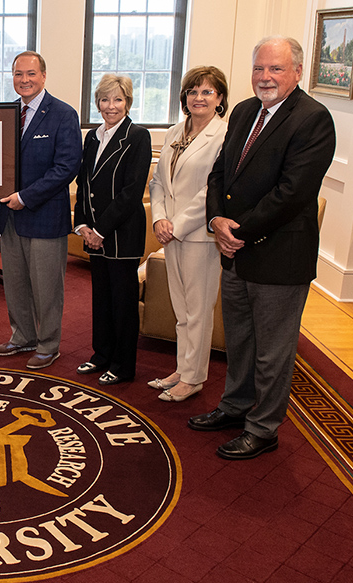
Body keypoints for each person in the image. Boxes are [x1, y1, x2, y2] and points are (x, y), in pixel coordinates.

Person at [190, 36, 335, 459]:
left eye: (275, 69)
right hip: (235, 252)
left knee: (273, 352)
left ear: (297, 72)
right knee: (239, 341)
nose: (265, 77)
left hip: (278, 257)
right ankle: (235, 407)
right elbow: (220, 173)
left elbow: (293, 193)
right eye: (259, 68)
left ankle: (263, 427)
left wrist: (239, 231)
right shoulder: (243, 110)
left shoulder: (313, 119)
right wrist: (216, 220)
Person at [0, 51, 82, 369]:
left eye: (30, 73)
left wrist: (26, 197)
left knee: (46, 287)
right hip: (10, 218)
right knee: (14, 284)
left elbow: (66, 167)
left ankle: (48, 343)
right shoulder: (6, 113)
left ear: (43, 76)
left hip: (43, 216)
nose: (24, 80)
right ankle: (23, 336)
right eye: (17, 74)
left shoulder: (63, 114)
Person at [148, 66, 229, 401]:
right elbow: (158, 183)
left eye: (207, 92)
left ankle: (194, 378)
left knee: (198, 309)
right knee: (180, 308)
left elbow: (213, 189)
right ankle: (183, 368)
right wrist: (159, 220)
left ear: (220, 98)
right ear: (184, 97)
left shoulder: (225, 136)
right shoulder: (174, 133)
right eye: (194, 91)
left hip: (198, 236)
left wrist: (177, 225)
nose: (199, 98)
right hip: (170, 233)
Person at [73, 74, 151, 385]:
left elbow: (131, 193)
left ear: (128, 103)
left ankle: (122, 365)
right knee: (102, 299)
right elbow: (83, 184)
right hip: (93, 235)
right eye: (105, 100)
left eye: (118, 99)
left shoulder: (138, 136)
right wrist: (82, 225)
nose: (110, 106)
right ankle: (101, 355)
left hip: (121, 236)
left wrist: (100, 229)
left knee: (123, 302)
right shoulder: (92, 136)